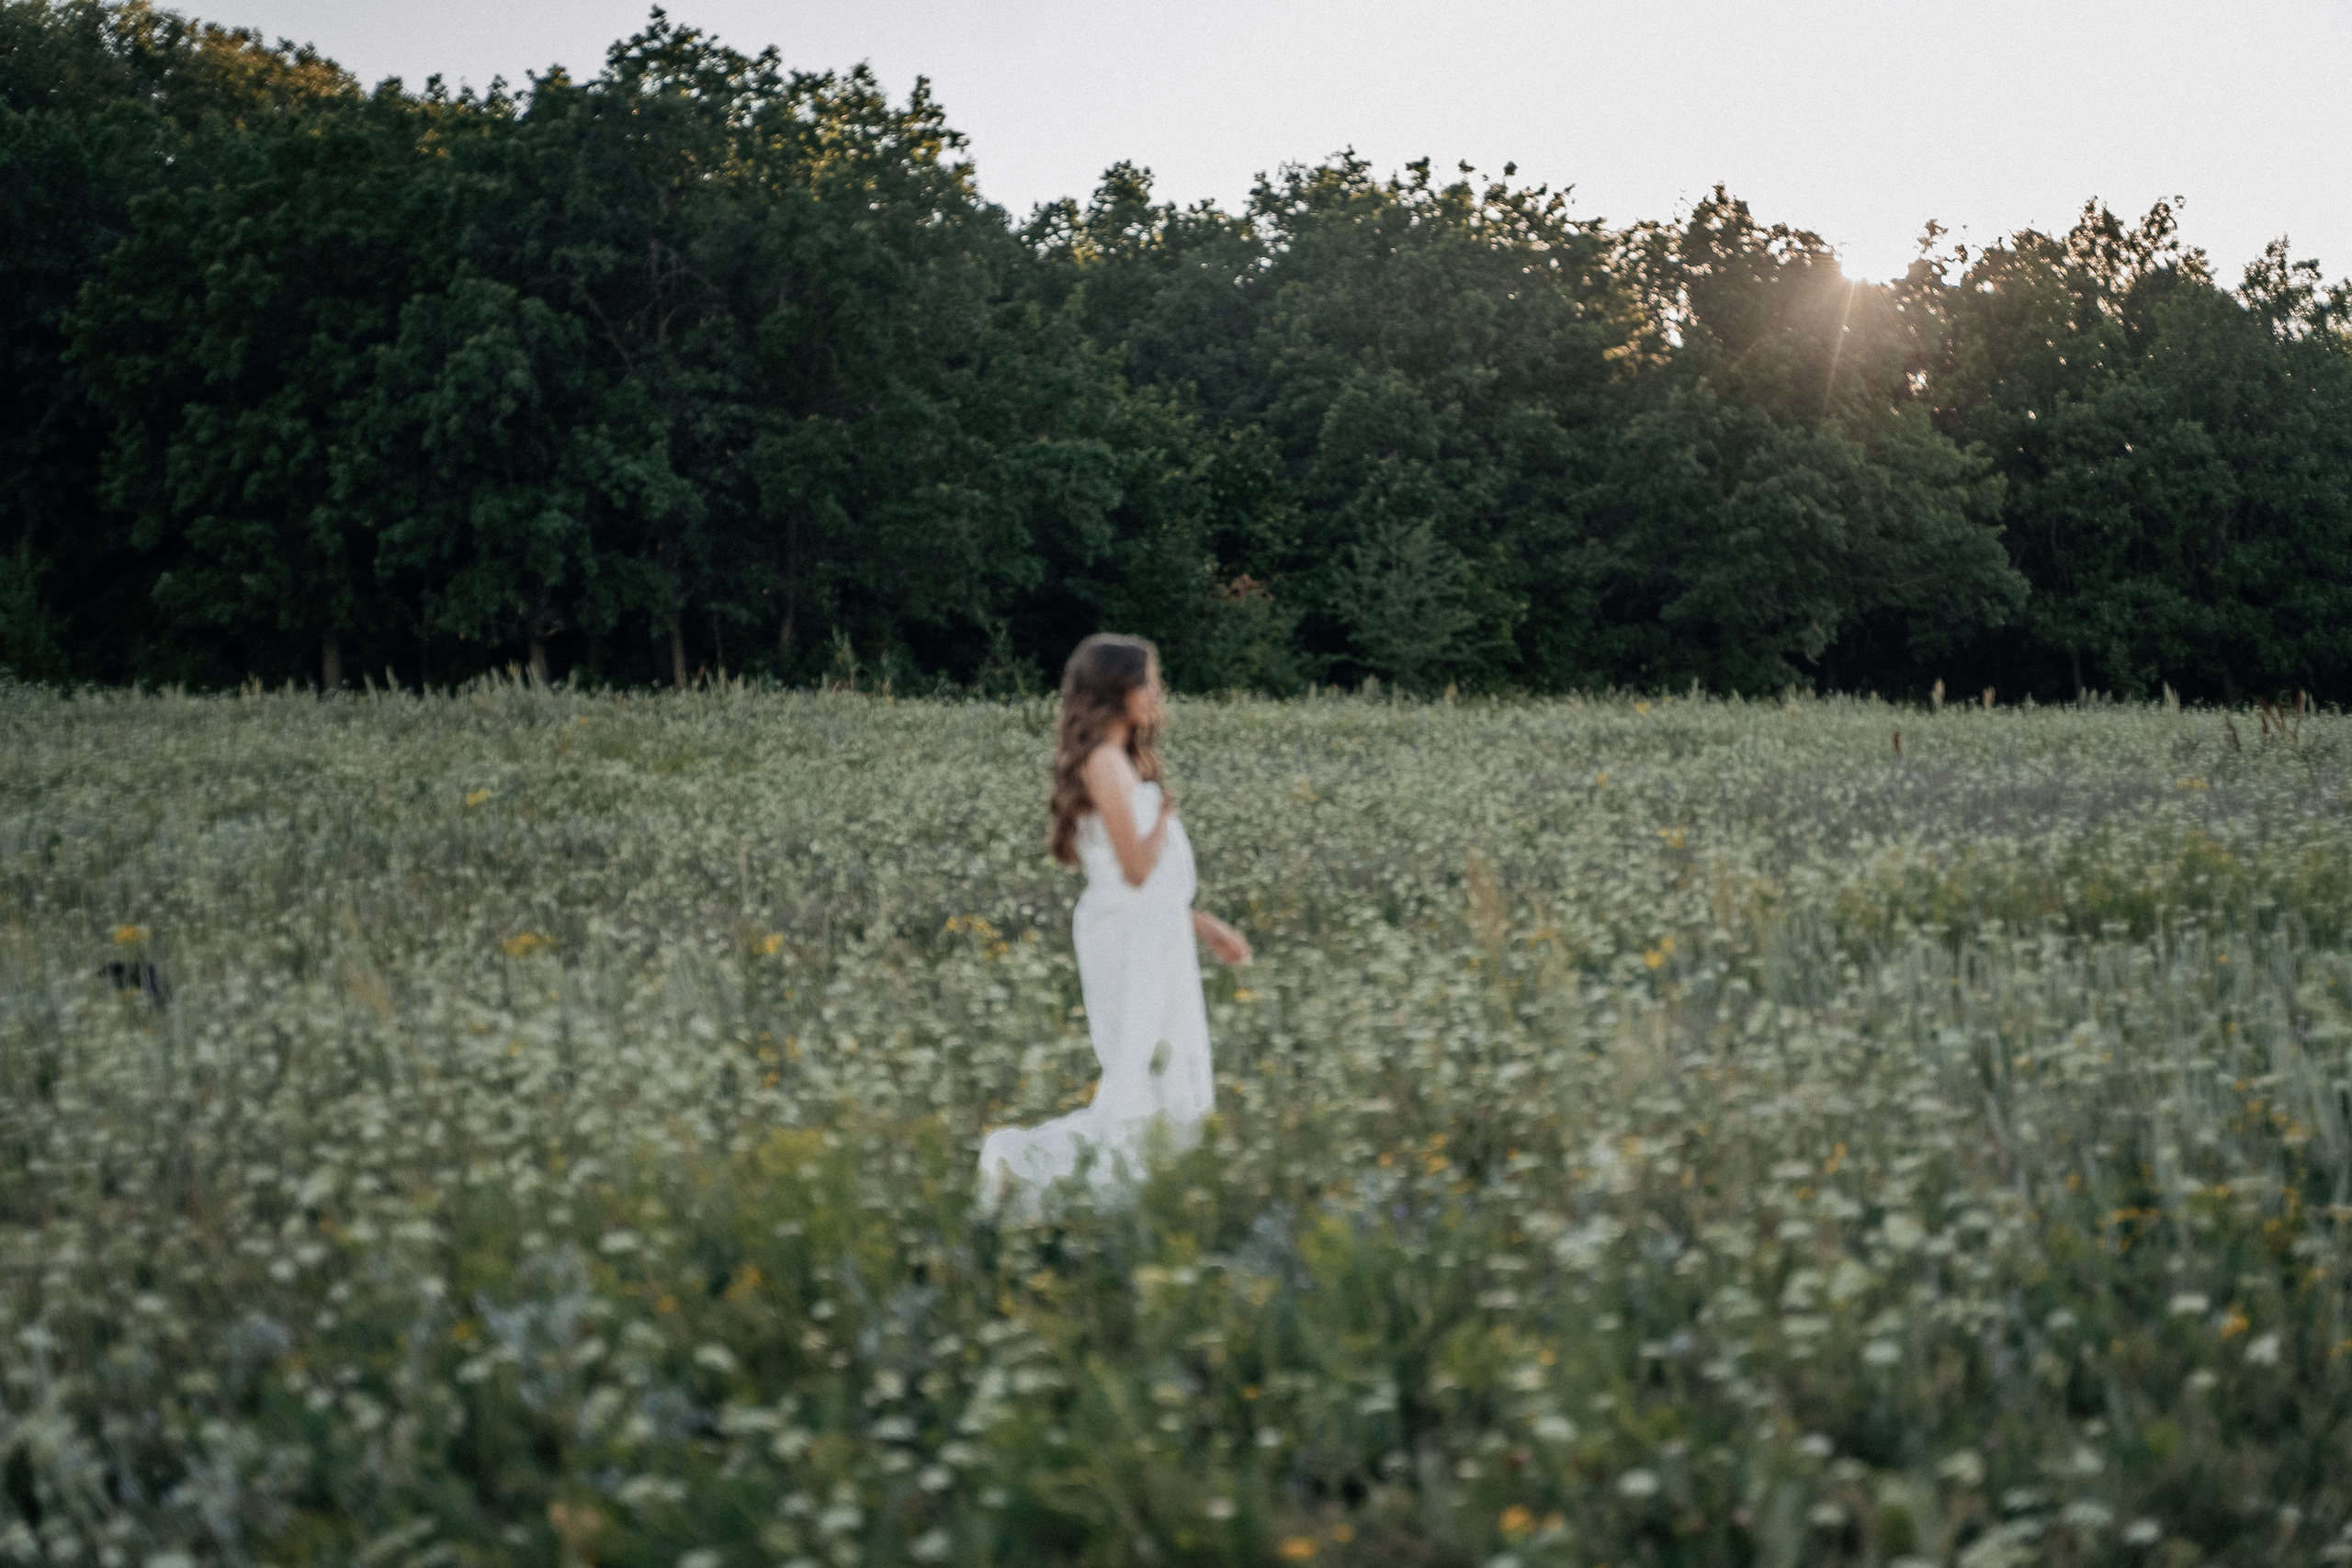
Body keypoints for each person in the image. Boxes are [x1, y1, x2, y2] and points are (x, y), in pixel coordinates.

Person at [978, 634, 1251, 1215]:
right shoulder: (1104, 763)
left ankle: (1135, 1202)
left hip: (1154, 934)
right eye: (1150, 682)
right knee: (1140, 1079)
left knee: (1170, 1076)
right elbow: (1133, 870)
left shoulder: (1122, 763)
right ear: (1120, 691)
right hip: (1127, 941)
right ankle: (1034, 1170)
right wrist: (1164, 815)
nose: (1158, 694)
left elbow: (1152, 887)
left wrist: (1204, 927)